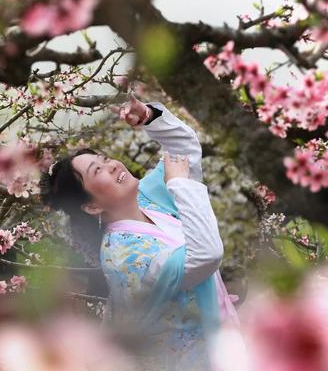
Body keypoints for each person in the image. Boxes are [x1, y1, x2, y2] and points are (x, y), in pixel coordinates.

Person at [39, 96, 239, 370]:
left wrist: (149, 117)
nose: (112, 166)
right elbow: (205, 256)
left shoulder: (146, 197)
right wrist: (180, 184)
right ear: (92, 206)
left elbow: (183, 152)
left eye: (105, 159)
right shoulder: (126, 259)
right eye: (98, 170)